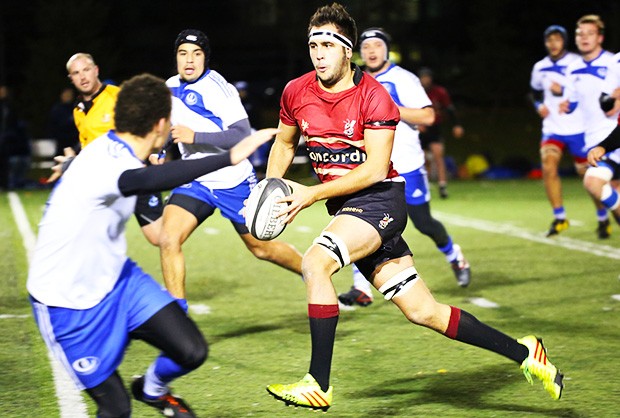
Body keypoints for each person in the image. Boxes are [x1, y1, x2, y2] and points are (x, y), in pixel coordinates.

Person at [264, 3, 563, 411]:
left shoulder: (374, 96)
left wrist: (308, 194)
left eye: (328, 44)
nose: (318, 53)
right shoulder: (296, 91)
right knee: (424, 311)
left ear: (347, 50)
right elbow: (284, 143)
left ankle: (317, 382)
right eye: (313, 44)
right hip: (347, 211)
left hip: (378, 200)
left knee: (315, 263)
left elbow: (372, 170)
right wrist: (270, 185)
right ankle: (527, 352)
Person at [27, 73, 278, 418]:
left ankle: (152, 388)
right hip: (66, 301)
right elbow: (145, 180)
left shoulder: (114, 147)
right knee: (116, 409)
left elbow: (127, 174)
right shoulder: (113, 162)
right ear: (161, 125)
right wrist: (231, 154)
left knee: (191, 351)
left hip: (118, 281)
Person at [159, 29, 303, 303]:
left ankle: (311, 270)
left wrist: (195, 137)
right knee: (168, 239)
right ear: (176, 58)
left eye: (196, 54)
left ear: (205, 58)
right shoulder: (169, 86)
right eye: (183, 53)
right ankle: (178, 317)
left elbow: (240, 134)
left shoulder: (219, 88)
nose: (189, 60)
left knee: (262, 249)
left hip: (232, 181)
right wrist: (160, 149)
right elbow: (168, 127)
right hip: (196, 180)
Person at [338, 27, 471, 308]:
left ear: (387, 49)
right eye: (367, 46)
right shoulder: (354, 80)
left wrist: (390, 109)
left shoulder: (403, 78)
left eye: (378, 45)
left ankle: (453, 254)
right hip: (371, 166)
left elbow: (428, 115)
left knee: (423, 223)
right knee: (360, 220)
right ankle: (361, 288)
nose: (372, 51)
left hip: (406, 165)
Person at [62, 52, 163, 245]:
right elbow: (87, 148)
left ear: (96, 70)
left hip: (134, 175)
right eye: (76, 73)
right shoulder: (78, 110)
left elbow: (148, 124)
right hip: (103, 183)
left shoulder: (117, 96)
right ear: (71, 78)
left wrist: (154, 153)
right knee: (91, 237)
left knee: (159, 238)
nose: (83, 77)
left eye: (86, 70)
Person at [562, 15, 619, 239]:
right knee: (598, 186)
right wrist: (567, 104)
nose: (584, 38)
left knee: (596, 183)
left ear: (600, 37)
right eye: (580, 33)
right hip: (597, 140)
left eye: (590, 33)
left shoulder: (611, 61)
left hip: (613, 136)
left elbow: (611, 101)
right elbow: (601, 100)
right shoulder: (572, 68)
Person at [529, 25, 587, 237]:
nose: (553, 44)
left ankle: (602, 216)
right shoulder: (540, 67)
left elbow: (585, 91)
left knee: (589, 178)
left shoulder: (576, 63)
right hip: (552, 128)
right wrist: (538, 106)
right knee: (548, 166)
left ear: (564, 41)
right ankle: (560, 217)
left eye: (557, 39)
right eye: (549, 40)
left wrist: (562, 91)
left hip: (578, 128)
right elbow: (534, 93)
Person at [583, 51, 620, 224]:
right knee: (593, 181)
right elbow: (606, 103)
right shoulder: (616, 61)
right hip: (614, 152)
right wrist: (603, 146)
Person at [418, 67, 464, 199]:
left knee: (438, 156)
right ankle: (423, 186)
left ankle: (442, 186)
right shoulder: (415, 90)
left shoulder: (439, 92)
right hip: (419, 128)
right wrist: (416, 124)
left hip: (434, 127)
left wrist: (457, 125)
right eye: (423, 77)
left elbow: (449, 108)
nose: (425, 80)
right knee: (421, 159)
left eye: (427, 77)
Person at [0, 84, 31, 190]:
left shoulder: (10, 105)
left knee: (6, 163)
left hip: (7, 140)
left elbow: (14, 123)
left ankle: (5, 184)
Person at [47, 87, 79, 155]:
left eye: (70, 94)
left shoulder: (76, 108)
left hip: (75, 142)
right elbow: (52, 126)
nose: (68, 96)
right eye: (66, 94)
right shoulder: (57, 109)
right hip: (61, 143)